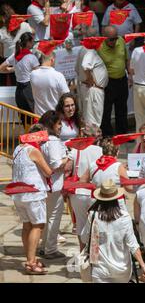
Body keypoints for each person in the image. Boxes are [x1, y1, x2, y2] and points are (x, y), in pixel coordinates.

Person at [81, 179, 145, 283]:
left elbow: (84, 238)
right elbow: (133, 245)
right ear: (116, 197)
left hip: (100, 270)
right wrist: (143, 266)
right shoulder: (125, 217)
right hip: (122, 270)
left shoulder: (93, 215)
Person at [11, 124, 52, 275]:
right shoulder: (33, 150)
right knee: (38, 226)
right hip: (33, 194)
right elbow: (48, 172)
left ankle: (31, 258)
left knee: (27, 225)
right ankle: (31, 262)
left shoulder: (17, 149)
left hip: (19, 193)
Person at [65, 123, 103, 248]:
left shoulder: (75, 150)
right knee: (96, 224)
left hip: (78, 192)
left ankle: (82, 252)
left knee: (80, 224)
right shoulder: (100, 151)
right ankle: (94, 252)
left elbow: (67, 170)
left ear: (83, 135)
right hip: (95, 192)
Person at [38, 111, 69, 259]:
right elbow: (56, 163)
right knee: (54, 218)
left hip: (44, 184)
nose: (61, 126)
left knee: (47, 217)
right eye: (58, 123)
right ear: (52, 125)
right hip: (54, 184)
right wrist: (67, 159)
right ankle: (50, 249)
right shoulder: (54, 141)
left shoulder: (42, 140)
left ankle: (44, 247)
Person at [98, 25, 129, 136]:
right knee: (106, 109)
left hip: (122, 80)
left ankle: (122, 133)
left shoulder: (121, 41)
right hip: (108, 82)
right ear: (104, 37)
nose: (114, 41)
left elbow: (126, 58)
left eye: (115, 38)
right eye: (111, 39)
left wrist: (129, 73)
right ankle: (107, 134)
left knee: (122, 108)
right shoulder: (99, 46)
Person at [0, 32, 39, 119]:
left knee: (24, 117)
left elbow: (1, 69)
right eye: (32, 41)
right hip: (29, 89)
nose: (33, 43)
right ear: (28, 43)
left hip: (18, 90)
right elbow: (38, 75)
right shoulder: (32, 57)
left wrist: (13, 69)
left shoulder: (15, 55)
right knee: (33, 116)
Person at [76, 27, 108, 127]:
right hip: (93, 89)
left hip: (90, 88)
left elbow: (77, 69)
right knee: (94, 122)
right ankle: (94, 142)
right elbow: (85, 66)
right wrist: (91, 80)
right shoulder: (89, 51)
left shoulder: (83, 49)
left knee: (91, 121)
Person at [31, 50, 70, 116]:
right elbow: (66, 96)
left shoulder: (33, 74)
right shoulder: (58, 75)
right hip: (54, 117)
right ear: (52, 60)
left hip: (39, 116)